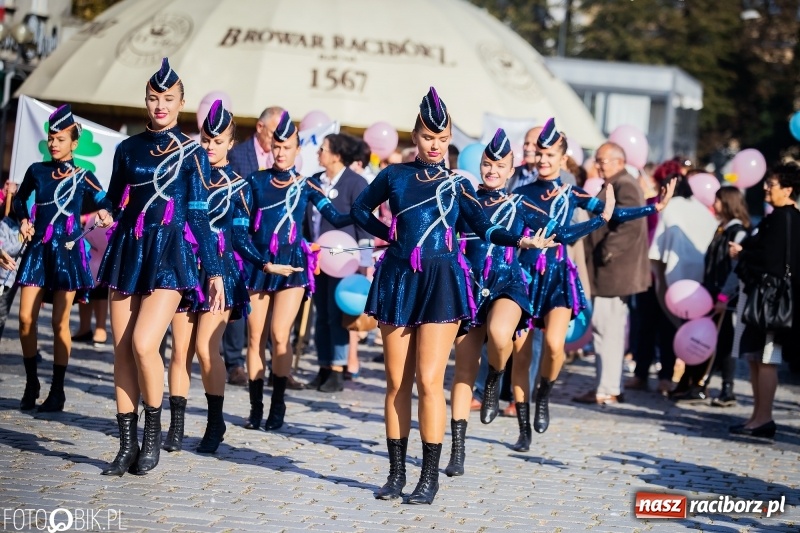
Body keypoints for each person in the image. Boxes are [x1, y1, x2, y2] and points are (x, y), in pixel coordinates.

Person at [351, 88, 549, 505]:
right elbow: (359, 209)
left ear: (448, 139)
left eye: (442, 139)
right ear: (416, 136)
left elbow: (485, 227)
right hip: (398, 280)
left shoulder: (458, 185)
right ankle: (395, 473)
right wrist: (388, 235)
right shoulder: (395, 176)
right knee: (396, 383)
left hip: (441, 282)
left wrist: (521, 240)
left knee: (428, 381)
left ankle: (429, 477)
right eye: (427, 137)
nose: (435, 144)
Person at [445, 129, 613, 476]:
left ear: (511, 171)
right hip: (471, 287)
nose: (492, 170)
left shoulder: (521, 204)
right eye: (487, 163)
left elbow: (562, 234)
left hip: (509, 283)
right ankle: (457, 451)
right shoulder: (464, 200)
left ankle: (494, 377)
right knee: (462, 371)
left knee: (502, 334)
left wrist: (601, 219)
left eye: (500, 165)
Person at [98, 58, 225, 476]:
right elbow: (114, 199)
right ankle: (126, 444)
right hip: (128, 252)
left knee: (143, 344)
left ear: (181, 103)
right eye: (154, 98)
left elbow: (200, 215)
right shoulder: (126, 149)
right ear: (146, 100)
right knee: (121, 351)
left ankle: (153, 434)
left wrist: (215, 269)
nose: (160, 105)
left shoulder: (192, 152)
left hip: (170, 256)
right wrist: (103, 211)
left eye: (168, 99)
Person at [515, 129, 675, 433]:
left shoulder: (572, 193)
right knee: (521, 352)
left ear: (563, 160)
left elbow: (617, 214)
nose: (544, 160)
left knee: (553, 344)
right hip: (526, 276)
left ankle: (545, 394)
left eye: (551, 155)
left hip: (558, 277)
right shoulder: (521, 194)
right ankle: (523, 418)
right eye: (541, 154)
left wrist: (653, 207)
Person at [162, 100, 296, 454]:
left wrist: (264, 264)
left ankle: (214, 421)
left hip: (221, 273)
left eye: (218, 141)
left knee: (208, 350)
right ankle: (175, 426)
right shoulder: (186, 176)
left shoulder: (240, 186)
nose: (210, 146)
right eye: (206, 139)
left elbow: (239, 237)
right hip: (186, 268)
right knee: (180, 351)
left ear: (231, 144)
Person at [243, 110, 351, 431]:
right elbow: (240, 221)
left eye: (286, 148)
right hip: (260, 265)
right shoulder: (255, 181)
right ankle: (255, 407)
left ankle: (277, 405)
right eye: (276, 147)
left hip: (291, 267)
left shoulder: (306, 186)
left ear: (296, 150)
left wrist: (377, 220)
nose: (279, 153)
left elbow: (339, 216)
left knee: (279, 336)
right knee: (254, 337)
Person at [14, 104, 113, 412]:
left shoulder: (84, 176)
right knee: (25, 319)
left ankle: (57, 391)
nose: (54, 143)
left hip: (67, 255)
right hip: (38, 252)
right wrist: (23, 219)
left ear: (74, 142)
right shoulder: (37, 171)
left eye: (60, 138)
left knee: (59, 323)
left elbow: (106, 200)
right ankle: (32, 382)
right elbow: (19, 200)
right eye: (51, 137)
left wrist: (105, 212)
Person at [575, 144, 681, 405]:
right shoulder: (618, 182)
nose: (598, 165)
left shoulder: (624, 184)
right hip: (610, 271)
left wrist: (606, 253)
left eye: (602, 160)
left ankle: (607, 388)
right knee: (605, 331)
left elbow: (631, 224)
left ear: (619, 161)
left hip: (614, 273)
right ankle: (608, 386)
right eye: (597, 160)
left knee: (607, 331)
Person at [729, 162, 800, 439]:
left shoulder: (783, 219)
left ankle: (763, 418)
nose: (765, 188)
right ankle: (757, 417)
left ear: (787, 189)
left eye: (771, 184)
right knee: (756, 357)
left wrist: (742, 254)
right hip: (768, 298)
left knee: (767, 358)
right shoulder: (785, 217)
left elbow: (769, 260)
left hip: (772, 300)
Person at [222, 105, 284, 386]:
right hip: (238, 239)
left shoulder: (285, 159)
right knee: (237, 300)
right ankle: (234, 362)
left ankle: (273, 364)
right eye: (274, 132)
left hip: (269, 244)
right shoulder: (237, 155)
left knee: (267, 311)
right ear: (260, 128)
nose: (278, 139)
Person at [304, 134, 369, 392]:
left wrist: (365, 263)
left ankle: (338, 368)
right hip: (317, 260)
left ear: (337, 155)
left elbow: (364, 225)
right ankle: (323, 365)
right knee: (321, 314)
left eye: (323, 149)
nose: (318, 153)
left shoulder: (356, 183)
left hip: (345, 261)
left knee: (337, 313)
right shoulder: (313, 181)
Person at [646, 170, 717, 401]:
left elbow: (657, 251)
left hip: (675, 281)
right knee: (698, 331)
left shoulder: (671, 208)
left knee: (670, 329)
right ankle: (695, 381)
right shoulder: (702, 210)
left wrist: (659, 279)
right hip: (703, 284)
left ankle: (669, 377)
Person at [702, 187, 750, 406]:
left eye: (718, 200)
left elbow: (735, 269)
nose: (715, 204)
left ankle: (727, 389)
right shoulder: (721, 229)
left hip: (727, 298)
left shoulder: (737, 232)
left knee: (726, 342)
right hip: (713, 292)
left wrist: (723, 296)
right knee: (717, 341)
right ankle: (704, 383)